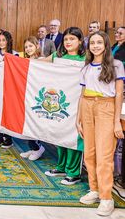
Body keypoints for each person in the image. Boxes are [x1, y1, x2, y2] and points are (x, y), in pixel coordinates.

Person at [77, 31, 124, 216]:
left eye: (99, 42)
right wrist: (78, 119)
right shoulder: (86, 67)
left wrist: (116, 122)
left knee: (104, 156)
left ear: (105, 44)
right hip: (87, 107)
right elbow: (81, 95)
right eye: (92, 43)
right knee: (89, 153)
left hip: (106, 107)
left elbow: (119, 94)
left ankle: (106, 198)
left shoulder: (116, 65)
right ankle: (94, 189)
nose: (95, 45)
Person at [44, 27, 86, 185]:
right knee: (60, 134)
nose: (68, 42)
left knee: (75, 136)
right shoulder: (58, 56)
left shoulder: (86, 58)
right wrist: (11, 59)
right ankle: (61, 166)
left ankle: (74, 172)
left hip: (78, 102)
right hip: (60, 102)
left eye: (72, 39)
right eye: (66, 39)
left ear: (80, 41)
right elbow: (36, 63)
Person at [19, 36, 46, 161]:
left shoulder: (42, 60)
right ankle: (32, 147)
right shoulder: (25, 60)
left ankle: (38, 148)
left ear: (37, 46)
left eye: (31, 46)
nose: (28, 49)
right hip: (26, 95)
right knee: (26, 123)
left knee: (34, 123)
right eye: (26, 47)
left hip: (37, 95)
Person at [0, 30, 19, 148]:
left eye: (4, 40)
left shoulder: (14, 54)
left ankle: (8, 138)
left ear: (8, 41)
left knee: (8, 112)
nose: (1, 42)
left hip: (9, 88)